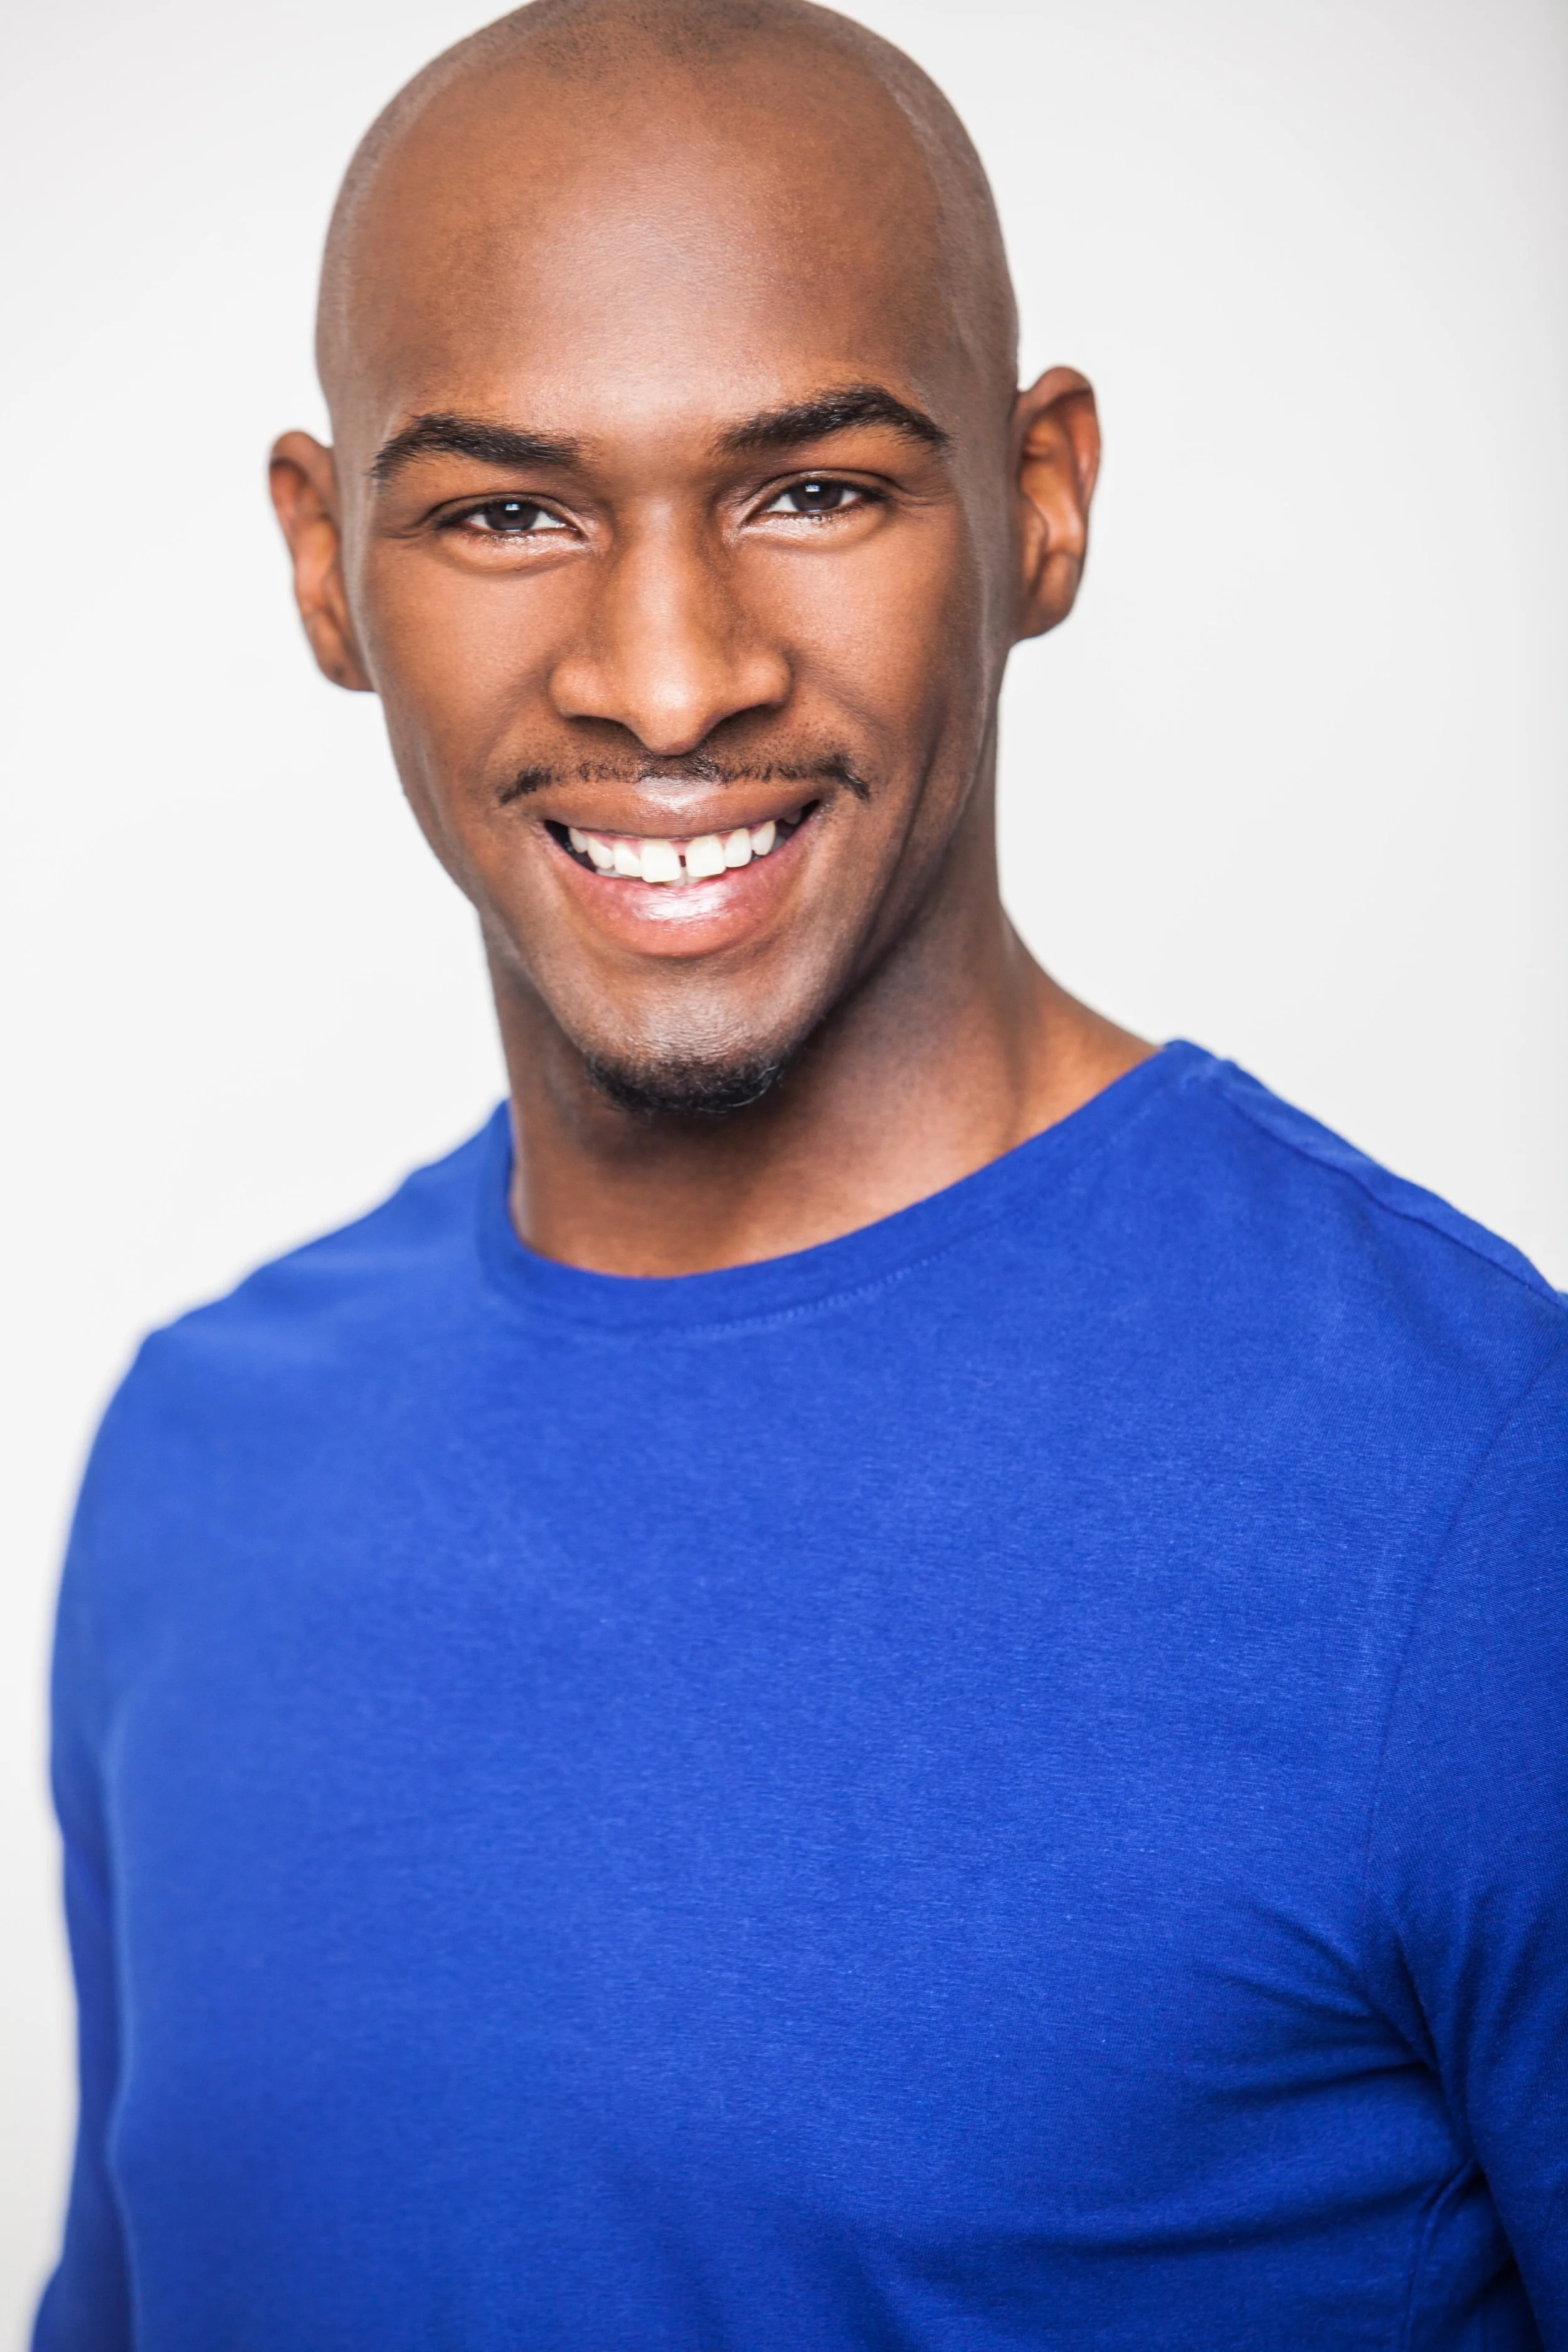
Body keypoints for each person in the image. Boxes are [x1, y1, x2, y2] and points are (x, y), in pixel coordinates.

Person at [34, 0, 1568, 2344]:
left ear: (1040, 499)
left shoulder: (1479, 1495)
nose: (667, 680)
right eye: (504, 510)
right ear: (325, 566)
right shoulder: (198, 1453)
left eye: (813, 487)